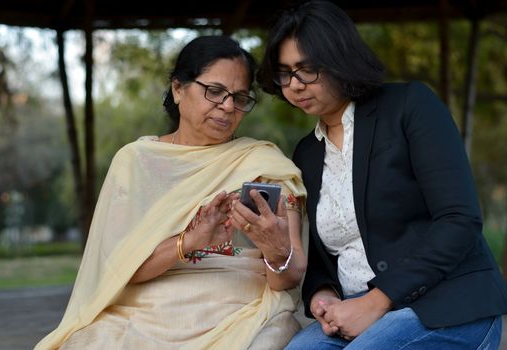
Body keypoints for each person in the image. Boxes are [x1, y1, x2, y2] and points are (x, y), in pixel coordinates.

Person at [257, 1, 507, 349]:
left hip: (445, 306)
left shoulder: (410, 106)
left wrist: (377, 301)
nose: (294, 85)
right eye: (285, 73)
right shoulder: (307, 152)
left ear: (339, 58)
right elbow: (323, 257)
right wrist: (323, 293)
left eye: (306, 69)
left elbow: (459, 220)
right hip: (353, 313)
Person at [35, 35, 307, 350]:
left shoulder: (264, 165)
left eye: (240, 97)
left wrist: (274, 249)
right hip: (144, 309)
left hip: (239, 309)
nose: (229, 106)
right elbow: (116, 272)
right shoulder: (136, 161)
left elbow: (290, 277)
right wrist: (189, 241)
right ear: (178, 89)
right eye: (215, 91)